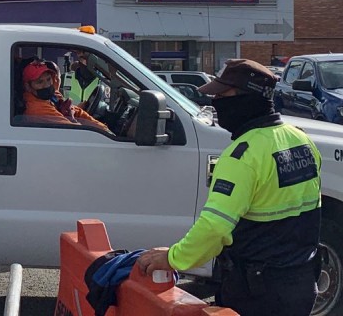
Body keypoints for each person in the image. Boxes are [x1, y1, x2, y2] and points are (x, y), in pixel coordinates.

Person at [136, 59, 321, 316]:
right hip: (300, 283)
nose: (216, 102)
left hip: (257, 293)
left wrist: (172, 258)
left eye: (223, 95)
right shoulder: (300, 140)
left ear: (248, 98)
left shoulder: (242, 156)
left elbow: (214, 227)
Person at [20, 61, 111, 132]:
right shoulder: (36, 108)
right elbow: (75, 132)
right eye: (40, 82)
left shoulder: (52, 97)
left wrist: (103, 128)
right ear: (28, 87)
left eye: (48, 79)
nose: (47, 85)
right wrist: (73, 119)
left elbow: (75, 111)